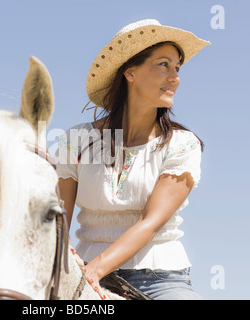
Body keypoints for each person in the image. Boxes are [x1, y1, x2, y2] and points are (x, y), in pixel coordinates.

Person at [55, 19, 210, 300]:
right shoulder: (75, 139)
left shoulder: (183, 144)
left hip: (159, 280)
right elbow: (58, 222)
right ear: (130, 72)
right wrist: (64, 274)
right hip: (80, 272)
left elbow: (149, 222)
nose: (174, 76)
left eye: (177, 67)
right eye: (163, 64)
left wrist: (93, 272)